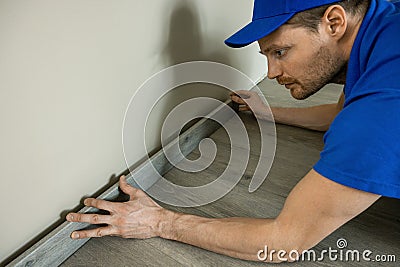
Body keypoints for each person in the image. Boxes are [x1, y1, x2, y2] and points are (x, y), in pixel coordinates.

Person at [67, 0, 400, 262]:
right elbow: (343, 114)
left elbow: (284, 242)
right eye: (267, 55)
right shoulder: (383, 27)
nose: (271, 72)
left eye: (280, 52)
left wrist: (158, 221)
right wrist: (271, 112)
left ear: (334, 22)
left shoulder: (382, 107)